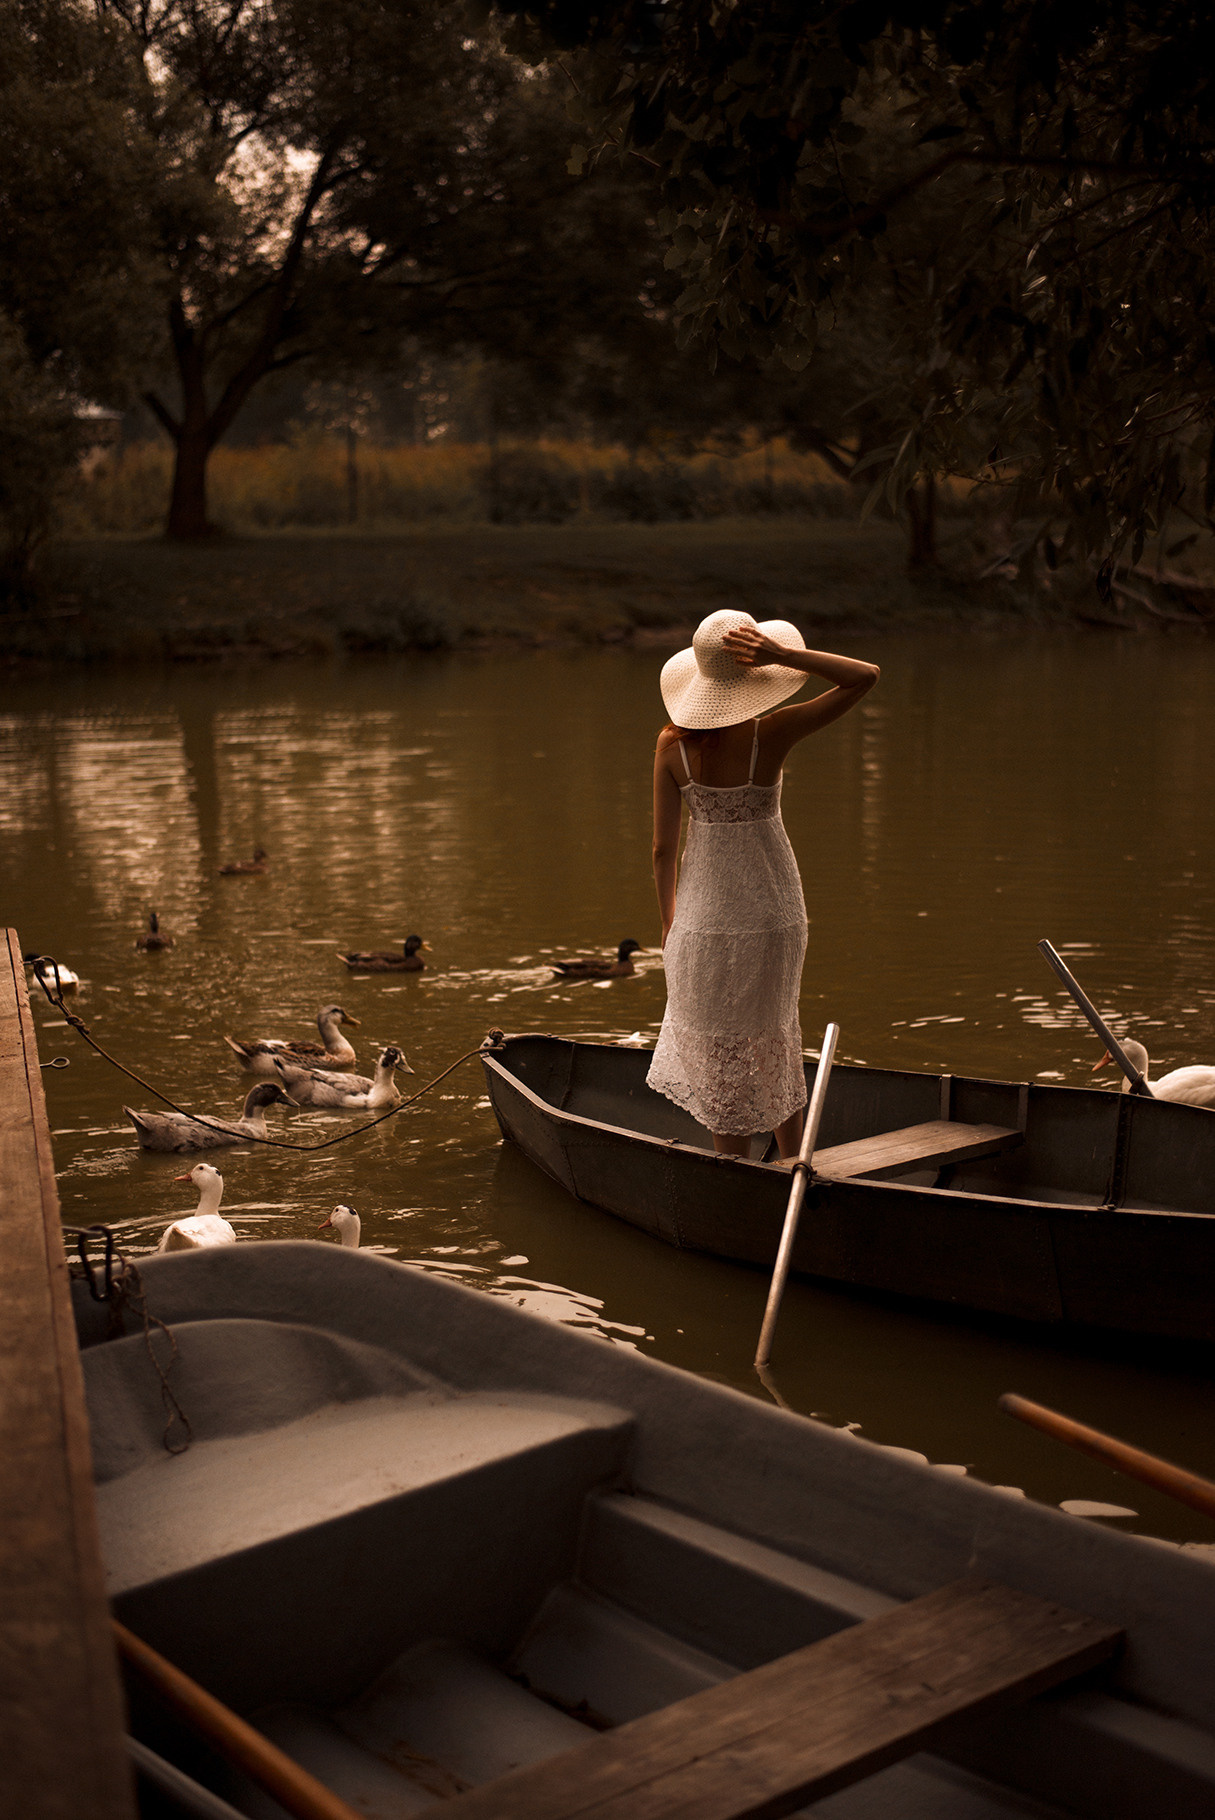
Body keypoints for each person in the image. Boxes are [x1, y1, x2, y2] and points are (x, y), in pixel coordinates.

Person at [648, 609, 879, 1159]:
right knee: (774, 1035)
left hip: (701, 918)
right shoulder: (772, 732)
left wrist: (668, 924)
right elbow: (864, 675)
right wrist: (785, 657)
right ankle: (797, 1162)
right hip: (773, 909)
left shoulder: (669, 747)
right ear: (754, 677)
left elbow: (661, 851)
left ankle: (733, 1168)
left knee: (720, 1048)